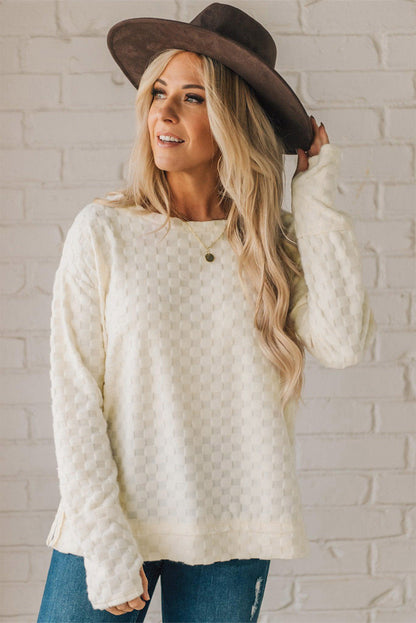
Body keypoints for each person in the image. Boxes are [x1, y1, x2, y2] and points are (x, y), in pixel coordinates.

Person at [36, 3, 376, 622]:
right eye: (158, 92)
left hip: (235, 529)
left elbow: (343, 342)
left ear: (233, 119)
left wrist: (315, 196)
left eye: (192, 98)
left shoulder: (274, 243)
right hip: (113, 525)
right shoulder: (104, 231)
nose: (163, 113)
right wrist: (107, 546)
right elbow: (75, 396)